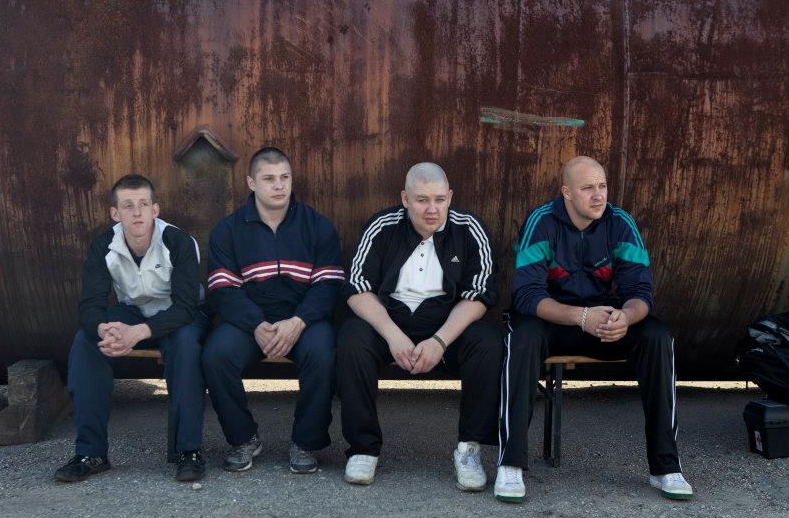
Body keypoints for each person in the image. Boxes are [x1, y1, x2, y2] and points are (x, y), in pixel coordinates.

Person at [497, 156, 693, 503]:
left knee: (657, 336)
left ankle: (666, 466)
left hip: (604, 322)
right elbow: (526, 295)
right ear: (567, 192)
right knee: (521, 335)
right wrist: (579, 316)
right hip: (554, 322)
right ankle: (510, 464)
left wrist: (625, 318)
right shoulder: (541, 221)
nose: (598, 195)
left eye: (602, 186)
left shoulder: (620, 222)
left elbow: (641, 292)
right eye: (588, 188)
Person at [336, 162, 502, 490]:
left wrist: (439, 341)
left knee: (488, 341)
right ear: (405, 198)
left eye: (439, 199)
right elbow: (356, 288)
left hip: (446, 326)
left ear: (450, 197)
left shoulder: (469, 228)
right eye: (422, 200)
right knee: (352, 338)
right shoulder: (383, 226)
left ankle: (469, 449)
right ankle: (363, 448)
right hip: (391, 323)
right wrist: (393, 336)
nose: (432, 209)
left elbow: (480, 294)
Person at [55, 174, 208, 484]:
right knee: (86, 342)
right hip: (133, 310)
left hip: (179, 314)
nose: (137, 213)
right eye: (128, 206)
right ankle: (91, 453)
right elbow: (90, 304)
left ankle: (189, 452)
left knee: (186, 347)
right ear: (115, 213)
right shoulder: (103, 245)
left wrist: (137, 333)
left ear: (155, 209)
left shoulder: (178, 241)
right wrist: (104, 330)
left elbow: (186, 306)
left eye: (143, 204)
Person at [201, 147, 343, 474]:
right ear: (251, 183)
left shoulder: (317, 225)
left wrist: (299, 321)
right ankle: (243, 439)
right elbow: (222, 288)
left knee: (323, 354)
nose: (279, 186)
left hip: (303, 319)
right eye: (269, 179)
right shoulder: (228, 230)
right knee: (216, 356)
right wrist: (256, 324)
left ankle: (306, 442)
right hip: (249, 321)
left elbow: (329, 284)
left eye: (284, 177)